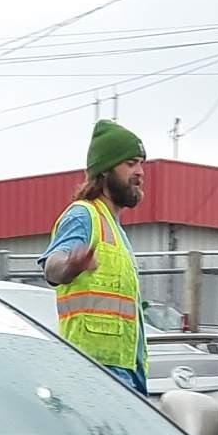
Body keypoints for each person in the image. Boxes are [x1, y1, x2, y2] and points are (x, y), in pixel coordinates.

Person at [42, 120, 148, 391]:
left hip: (124, 374)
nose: (140, 172)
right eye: (131, 163)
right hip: (92, 376)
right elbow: (53, 267)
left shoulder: (114, 228)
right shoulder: (83, 215)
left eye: (141, 163)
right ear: (105, 171)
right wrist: (70, 266)